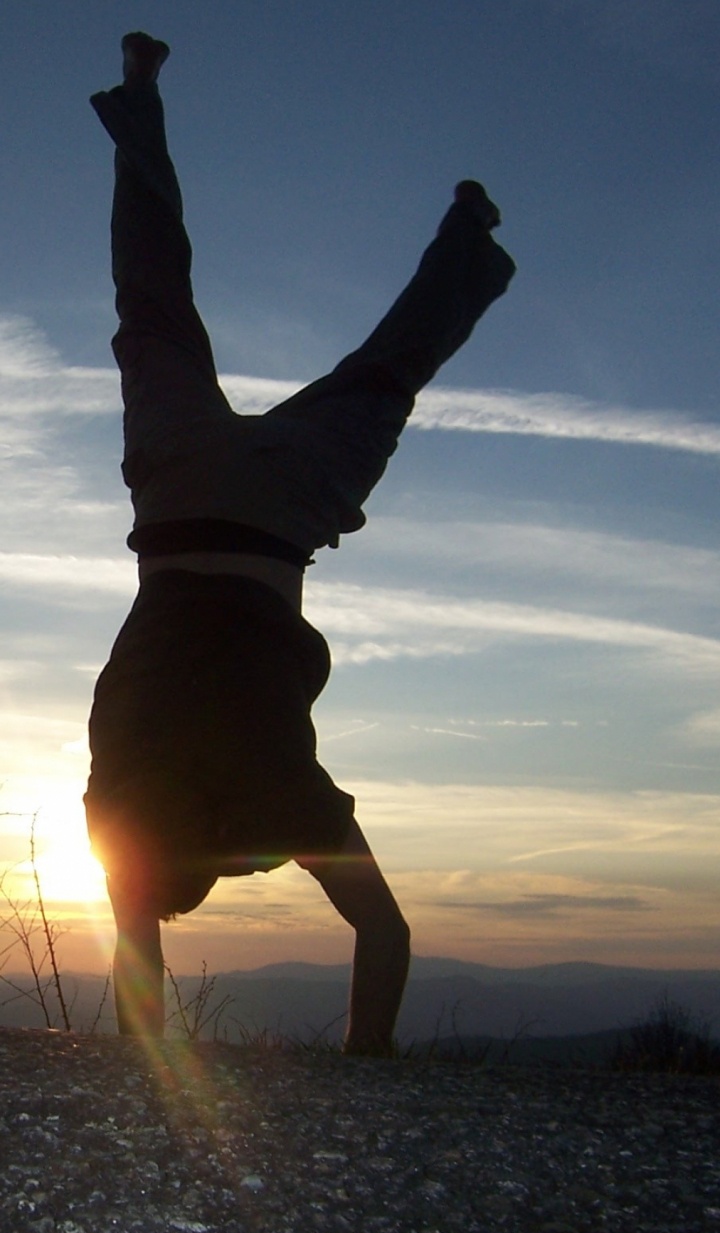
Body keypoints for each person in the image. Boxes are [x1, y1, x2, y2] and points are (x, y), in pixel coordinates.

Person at [85, 32, 516, 1053]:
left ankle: (470, 238)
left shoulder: (286, 804)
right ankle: (138, 100)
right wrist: (144, 1051)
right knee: (152, 303)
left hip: (282, 513)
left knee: (385, 371)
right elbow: (136, 946)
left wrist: (366, 1066)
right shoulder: (121, 806)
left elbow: (387, 934)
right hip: (178, 493)